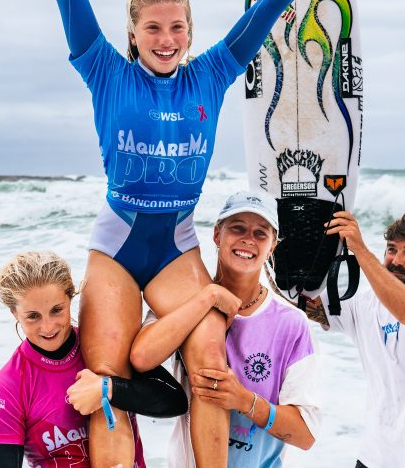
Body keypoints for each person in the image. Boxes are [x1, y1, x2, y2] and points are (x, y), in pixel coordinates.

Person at [0, 0, 376, 467]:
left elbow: (272, 3)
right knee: (106, 382)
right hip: (117, 245)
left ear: (190, 32)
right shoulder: (105, 71)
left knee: (210, 349)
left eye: (177, 26)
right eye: (154, 27)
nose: (167, 37)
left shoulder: (210, 73)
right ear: (132, 33)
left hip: (177, 244)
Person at [123, 191, 320, 467]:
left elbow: (306, 436)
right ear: (217, 234)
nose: (248, 240)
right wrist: (208, 298)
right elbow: (142, 357)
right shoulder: (185, 301)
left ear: (273, 245)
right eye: (237, 228)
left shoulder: (290, 323)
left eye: (260, 233)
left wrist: (244, 401)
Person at [0, 250, 188, 468]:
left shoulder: (105, 347)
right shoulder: (7, 389)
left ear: (71, 298)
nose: (48, 327)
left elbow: (175, 401)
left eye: (57, 310)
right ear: (14, 313)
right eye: (33, 316)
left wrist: (108, 389)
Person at [303, 211, 405, 468]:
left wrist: (360, 250)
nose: (396, 260)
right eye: (391, 250)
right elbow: (304, 305)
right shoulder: (363, 303)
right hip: (372, 458)